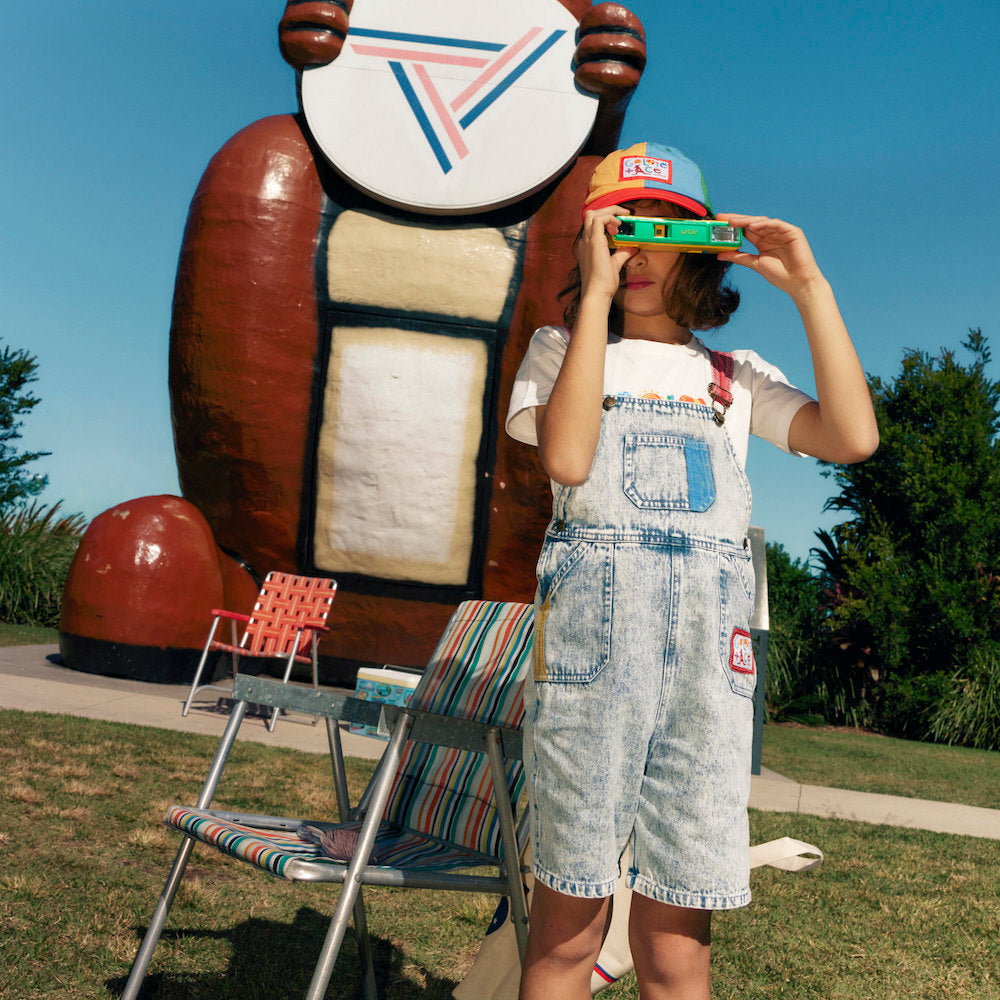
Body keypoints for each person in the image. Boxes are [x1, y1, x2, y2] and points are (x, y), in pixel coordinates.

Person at [505, 141, 878, 1000]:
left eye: (657, 228)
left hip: (710, 674)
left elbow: (852, 438)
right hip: (592, 666)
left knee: (679, 946)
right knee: (568, 929)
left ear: (702, 248)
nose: (635, 251)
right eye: (615, 229)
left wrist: (811, 288)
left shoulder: (733, 378)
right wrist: (595, 301)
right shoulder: (561, 352)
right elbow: (566, 456)